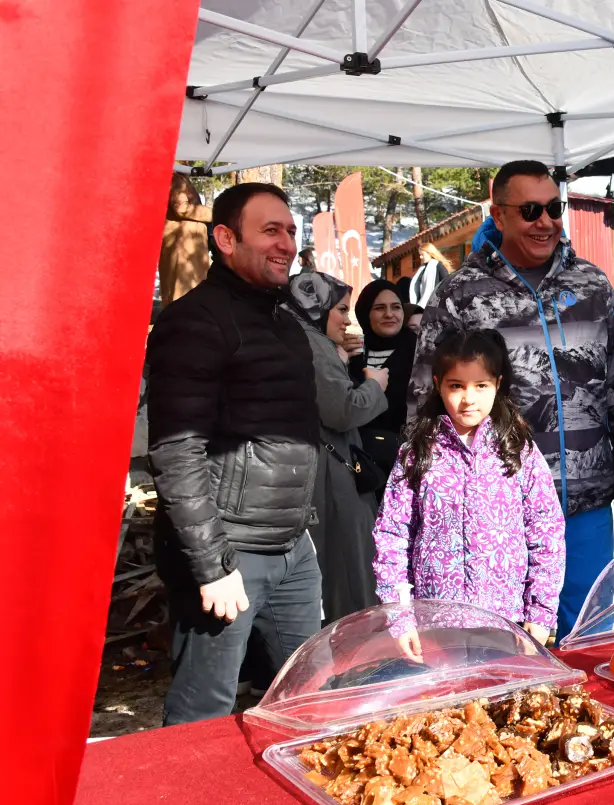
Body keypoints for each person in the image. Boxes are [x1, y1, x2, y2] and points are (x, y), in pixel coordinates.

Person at [411, 160, 614, 643]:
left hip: (586, 505)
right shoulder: (460, 297)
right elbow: (426, 406)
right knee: (507, 649)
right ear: (500, 214)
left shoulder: (591, 286)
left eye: (554, 208)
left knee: (589, 643)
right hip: (500, 514)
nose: (545, 221)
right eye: (530, 210)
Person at [146, 182, 321, 725]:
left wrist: (300, 533)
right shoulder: (195, 322)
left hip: (291, 549)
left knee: (311, 700)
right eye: (270, 230)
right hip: (229, 559)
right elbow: (176, 453)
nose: (286, 243)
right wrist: (212, 565)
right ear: (225, 238)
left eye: (291, 231)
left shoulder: (284, 320)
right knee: (203, 715)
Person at [374, 328, 565, 650]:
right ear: (438, 385)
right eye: (456, 386)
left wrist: (542, 612)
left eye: (481, 386)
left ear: (498, 385)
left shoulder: (518, 451)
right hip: (435, 622)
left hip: (506, 622)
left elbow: (546, 533)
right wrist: (399, 616)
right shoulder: (418, 453)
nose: (468, 399)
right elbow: (392, 536)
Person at [283, 270, 389, 624]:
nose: (347, 321)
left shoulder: (300, 338)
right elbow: (343, 410)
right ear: (318, 308)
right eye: (341, 310)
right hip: (331, 479)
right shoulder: (312, 345)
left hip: (318, 470)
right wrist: (374, 385)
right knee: (347, 569)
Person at [350, 280, 416, 475]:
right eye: (379, 308)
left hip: (407, 459)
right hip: (362, 458)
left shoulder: (420, 351)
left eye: (396, 307)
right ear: (365, 313)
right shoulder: (354, 352)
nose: (389, 314)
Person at [158, 172, 212, 306]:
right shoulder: (176, 178)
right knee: (181, 298)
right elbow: (181, 208)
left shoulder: (180, 178)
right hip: (182, 249)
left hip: (188, 249)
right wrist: (214, 213)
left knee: (192, 298)